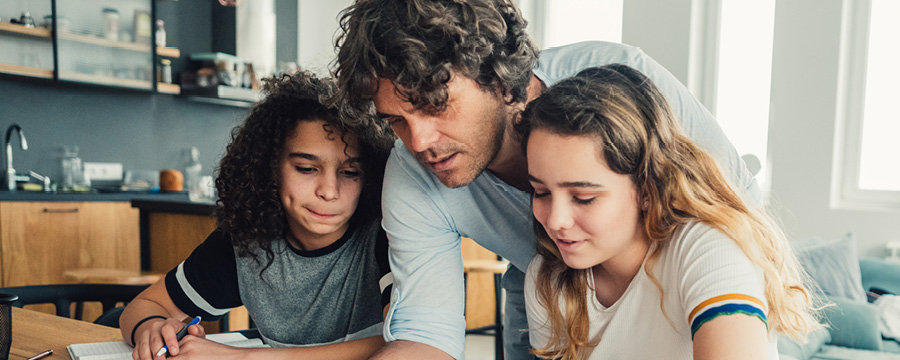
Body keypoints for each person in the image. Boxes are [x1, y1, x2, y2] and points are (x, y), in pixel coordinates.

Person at [332, 1, 762, 358]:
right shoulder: (542, 280)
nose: (419, 141)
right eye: (396, 121)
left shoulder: (623, 81)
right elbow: (425, 333)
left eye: (436, 105)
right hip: (558, 287)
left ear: (497, 78)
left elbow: (731, 208)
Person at [517, 64, 820, 359]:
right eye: (541, 192)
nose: (555, 221)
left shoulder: (708, 247)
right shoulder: (548, 278)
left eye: (584, 197)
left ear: (647, 190)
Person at [119, 71, 395, 360]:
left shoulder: (387, 236)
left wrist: (245, 358)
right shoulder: (249, 242)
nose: (329, 191)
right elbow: (145, 305)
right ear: (270, 169)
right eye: (306, 168)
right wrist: (151, 329)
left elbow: (410, 342)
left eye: (350, 172)